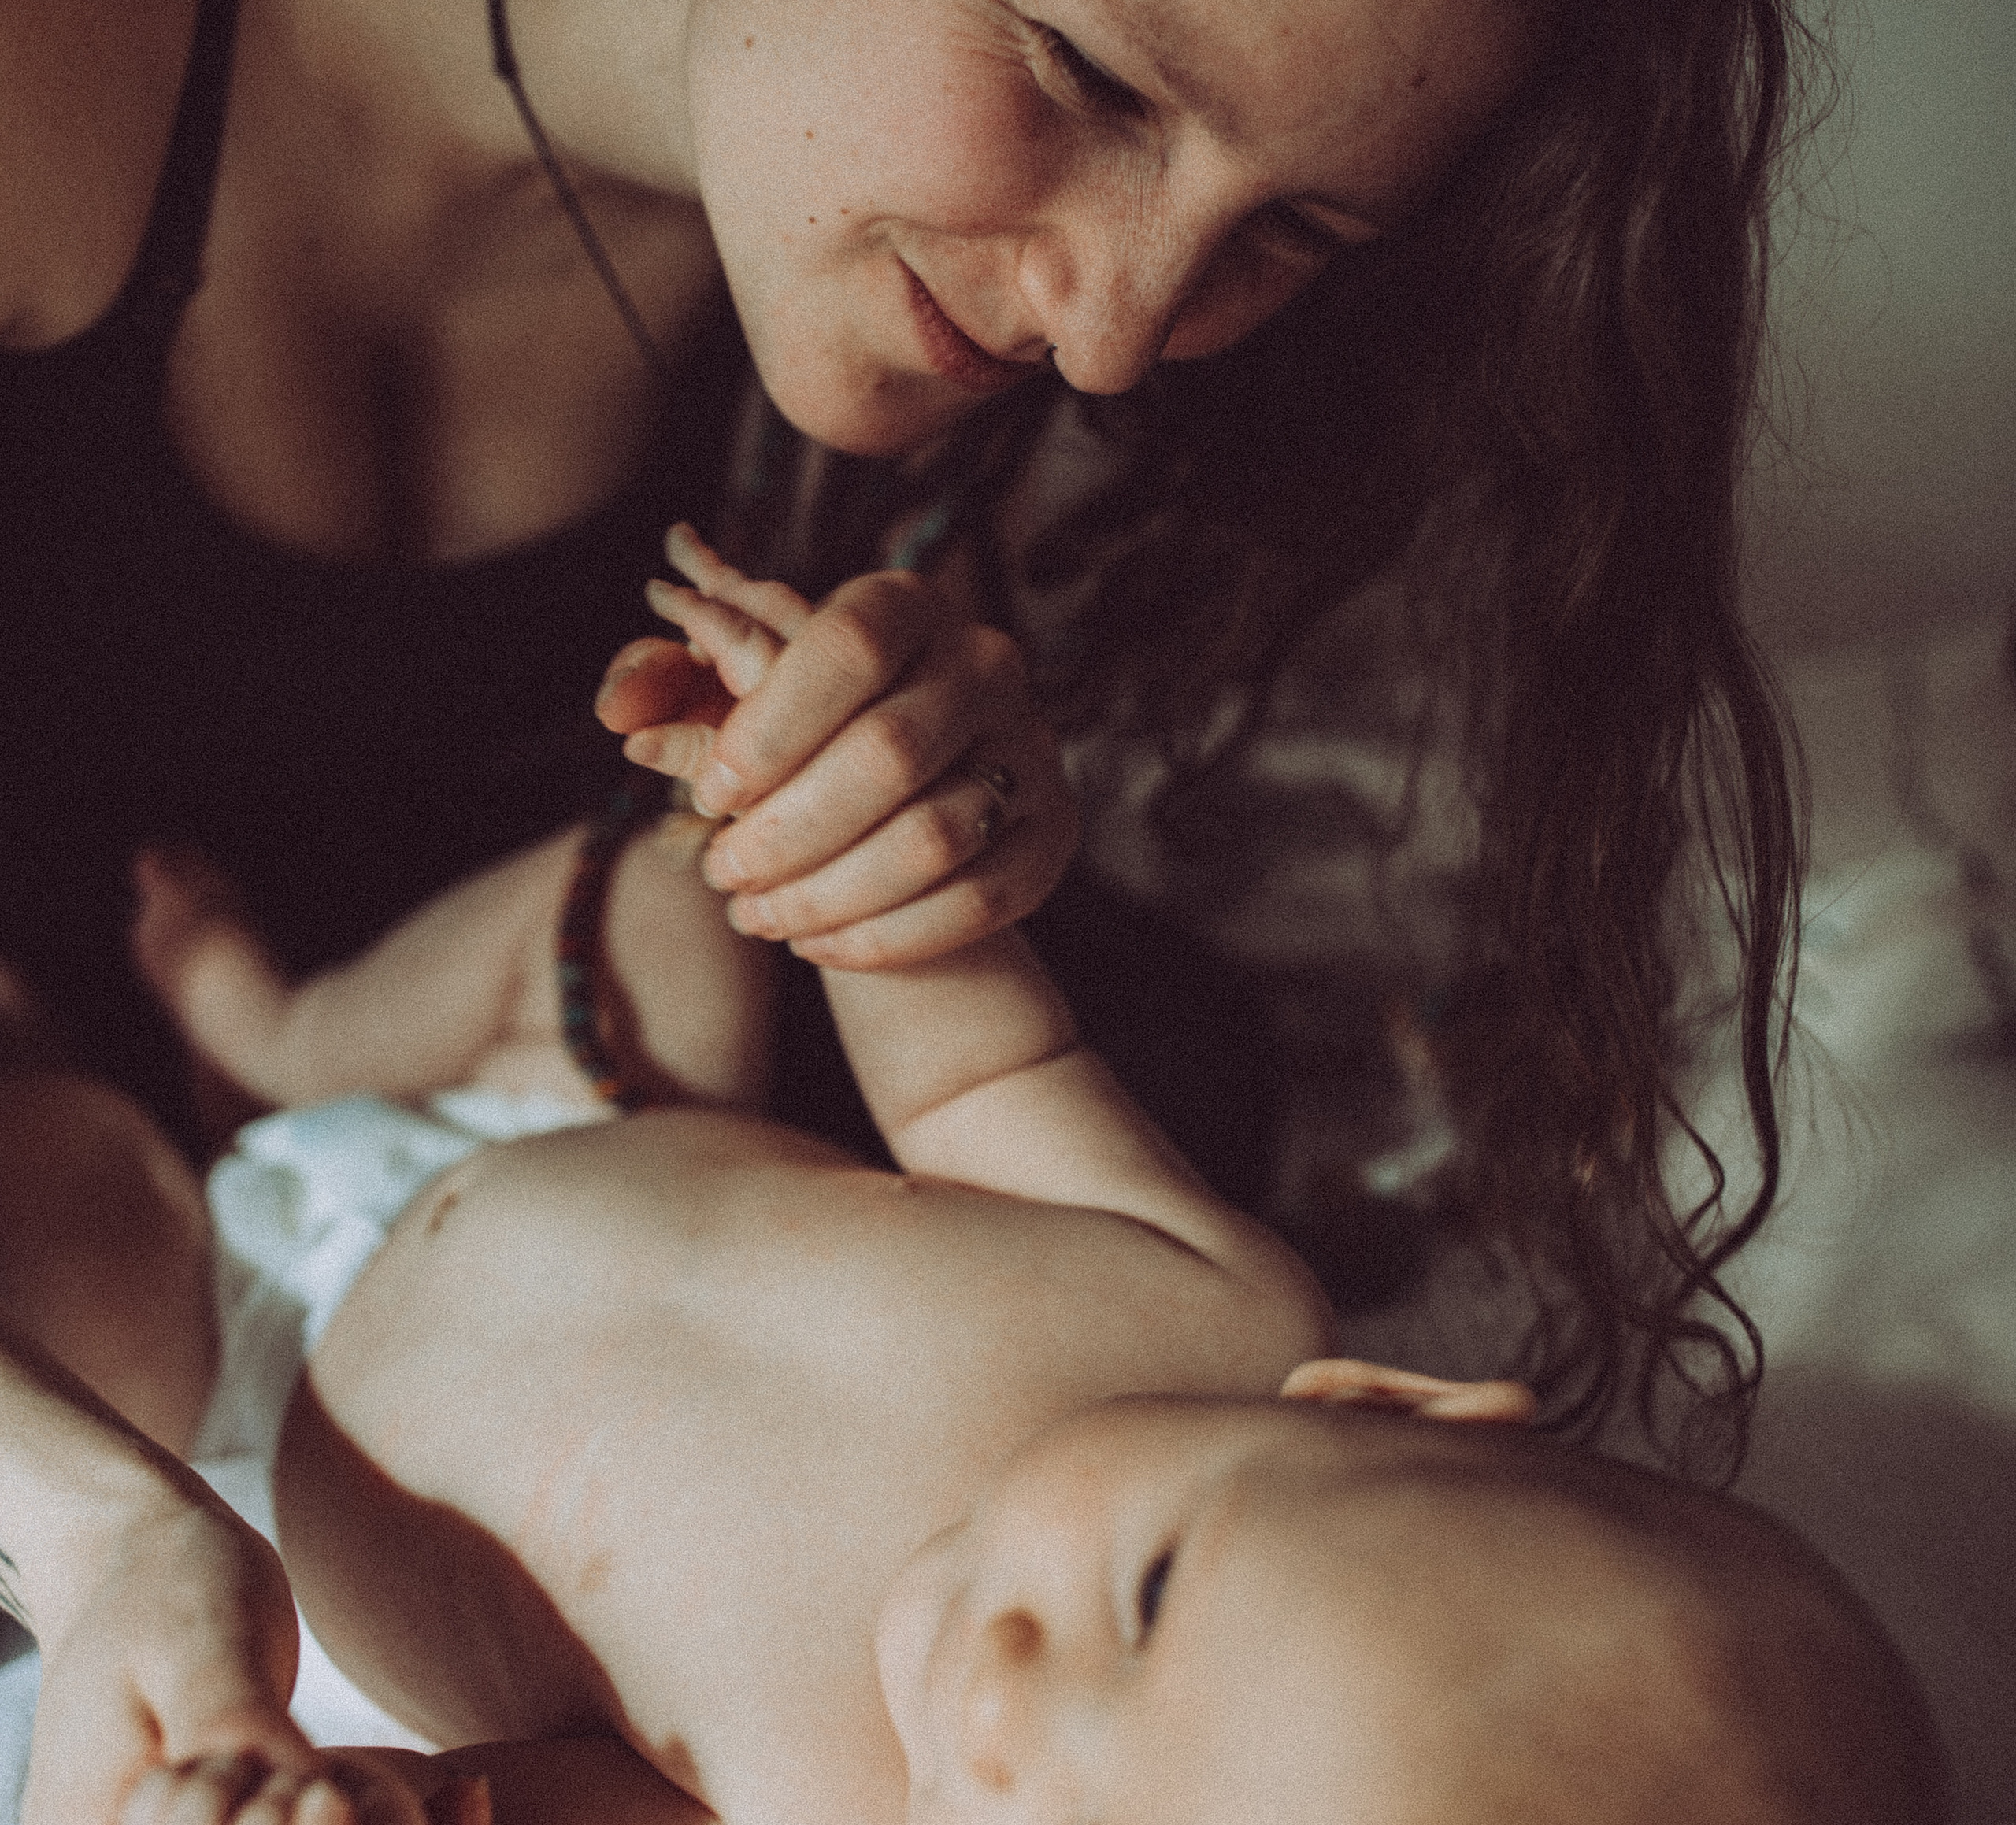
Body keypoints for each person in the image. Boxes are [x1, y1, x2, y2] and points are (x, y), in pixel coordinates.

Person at [2, 0, 1814, 1795]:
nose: (1113, 335)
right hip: (336, 1101)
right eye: (1091, 73)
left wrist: (887, 808)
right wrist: (915, 898)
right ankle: (267, 1043)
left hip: (357, 1348)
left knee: (1050, 1008)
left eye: (1292, 230)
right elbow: (970, 1069)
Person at [32, 550, 1945, 1825]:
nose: (1009, 1703)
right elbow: (980, 1070)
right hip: (530, 1114)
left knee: (66, 1214)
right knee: (680, 905)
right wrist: (841, 844)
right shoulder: (1204, 1307)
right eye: (1152, 1596)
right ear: (1374, 1402)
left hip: (246, 1442)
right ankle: (280, 1035)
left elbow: (510, 1794)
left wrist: (348, 1804)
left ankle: (151, 1090)